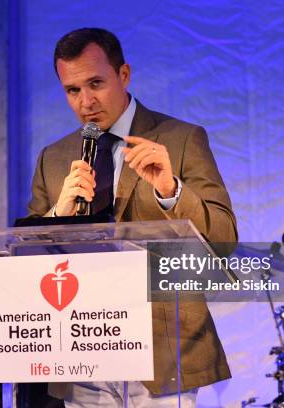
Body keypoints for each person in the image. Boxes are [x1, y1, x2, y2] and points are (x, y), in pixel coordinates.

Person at [27, 27, 237, 407]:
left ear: (124, 75)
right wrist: (59, 214)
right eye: (72, 90)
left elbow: (224, 240)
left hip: (162, 356)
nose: (86, 101)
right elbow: (25, 263)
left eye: (96, 83)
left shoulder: (182, 138)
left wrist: (170, 191)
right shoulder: (53, 158)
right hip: (81, 356)